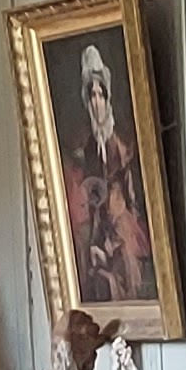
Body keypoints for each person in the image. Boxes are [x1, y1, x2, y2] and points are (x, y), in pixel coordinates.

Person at [62, 42, 156, 305]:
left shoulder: (119, 143)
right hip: (94, 220)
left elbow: (128, 193)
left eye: (100, 95)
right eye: (92, 96)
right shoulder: (84, 145)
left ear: (107, 98)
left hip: (118, 217)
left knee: (125, 251)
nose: (96, 102)